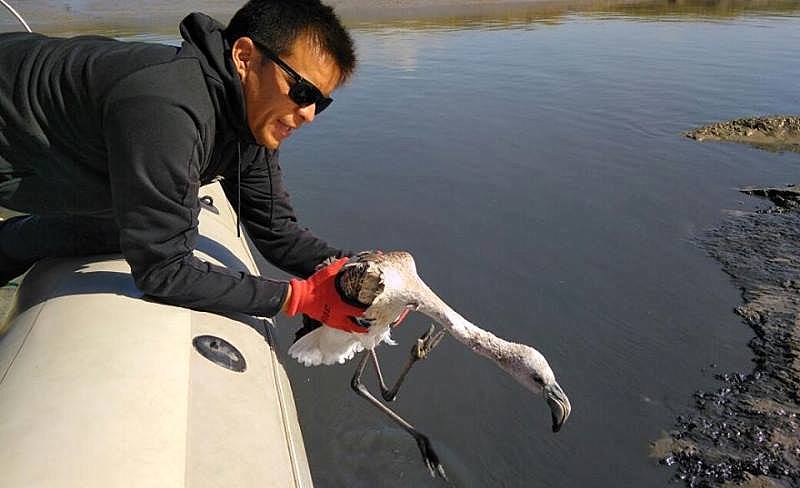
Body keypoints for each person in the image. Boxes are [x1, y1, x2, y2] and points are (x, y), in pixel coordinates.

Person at [0, 0, 370, 332]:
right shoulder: (167, 108)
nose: (307, 114)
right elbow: (163, 272)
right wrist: (297, 298)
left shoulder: (250, 124)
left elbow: (277, 232)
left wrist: (360, 273)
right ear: (244, 57)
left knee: (125, 228)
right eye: (302, 91)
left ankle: (12, 244)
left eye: (320, 103)